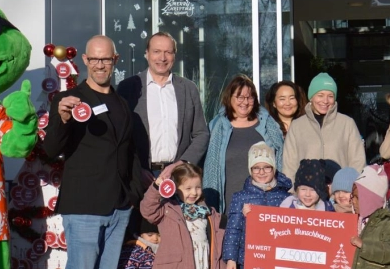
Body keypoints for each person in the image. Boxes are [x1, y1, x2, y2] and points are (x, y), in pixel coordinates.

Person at [44, 35, 142, 269]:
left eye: (106, 59)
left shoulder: (122, 103)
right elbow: (50, 150)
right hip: (85, 205)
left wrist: (132, 197)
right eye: (95, 59)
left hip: (118, 207)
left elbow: (128, 153)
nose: (101, 65)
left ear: (115, 61)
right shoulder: (70, 100)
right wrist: (61, 118)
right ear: (85, 61)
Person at [140, 163, 228, 269]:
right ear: (175, 187)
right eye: (188, 188)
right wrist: (157, 186)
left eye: (197, 187)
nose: (193, 192)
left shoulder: (209, 214)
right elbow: (147, 209)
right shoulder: (167, 210)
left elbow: (217, 246)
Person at [118, 32, 210, 180]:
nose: (162, 58)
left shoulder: (188, 88)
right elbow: (121, 136)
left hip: (180, 175)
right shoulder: (128, 88)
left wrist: (183, 164)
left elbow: (201, 133)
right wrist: (136, 169)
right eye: (157, 51)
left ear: (174, 55)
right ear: (147, 54)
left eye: (168, 52)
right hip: (142, 176)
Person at [223, 142, 292, 269]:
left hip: (275, 259)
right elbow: (233, 230)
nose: (262, 172)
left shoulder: (285, 198)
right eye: (256, 167)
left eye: (267, 167)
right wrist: (230, 258)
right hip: (248, 258)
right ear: (250, 169)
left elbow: (292, 228)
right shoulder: (240, 197)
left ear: (274, 168)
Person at [203, 74, 284, 213]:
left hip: (265, 206)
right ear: (229, 98)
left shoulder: (268, 125)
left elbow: (281, 158)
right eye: (239, 97)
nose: (245, 102)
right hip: (228, 207)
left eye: (249, 97)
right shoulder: (217, 126)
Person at [281, 160, 335, 269]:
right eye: (303, 188)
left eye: (313, 189)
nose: (308, 194)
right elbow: (269, 224)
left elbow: (335, 237)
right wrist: (249, 212)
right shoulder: (287, 205)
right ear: (296, 189)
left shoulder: (327, 209)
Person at [282, 72, 366, 182]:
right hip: (306, 196)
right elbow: (289, 166)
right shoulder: (297, 126)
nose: (325, 101)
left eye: (330, 96)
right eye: (320, 95)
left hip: (339, 195)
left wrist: (348, 189)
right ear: (311, 97)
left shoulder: (347, 124)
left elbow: (358, 162)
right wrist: (294, 193)